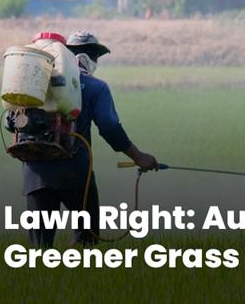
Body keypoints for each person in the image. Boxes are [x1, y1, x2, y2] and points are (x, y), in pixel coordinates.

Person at [23, 30, 158, 247]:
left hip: (36, 172)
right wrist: (138, 156)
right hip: (75, 172)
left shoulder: (36, 82)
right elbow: (110, 128)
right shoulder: (96, 87)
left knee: (40, 247)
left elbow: (12, 122)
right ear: (91, 58)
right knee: (87, 243)